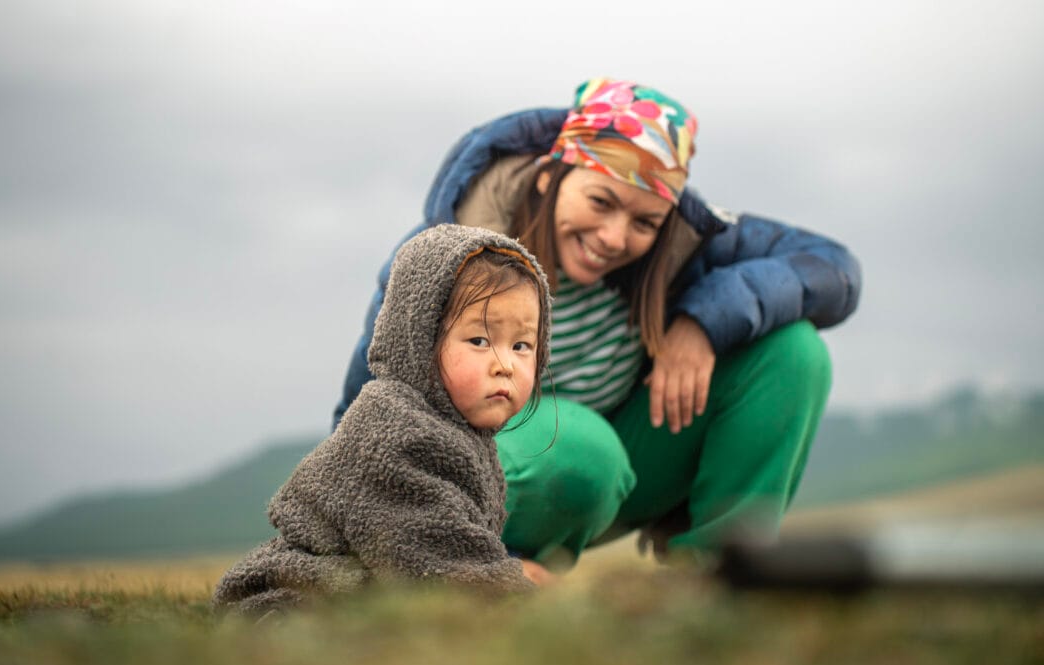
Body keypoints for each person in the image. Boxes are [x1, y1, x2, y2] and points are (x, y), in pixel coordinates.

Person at [336, 77, 862, 581]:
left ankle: (719, 576)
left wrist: (703, 323)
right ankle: (475, 563)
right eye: (600, 202)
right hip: (462, 489)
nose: (613, 238)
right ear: (550, 176)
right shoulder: (444, 258)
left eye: (644, 222)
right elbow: (369, 414)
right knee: (586, 449)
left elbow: (833, 269)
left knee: (793, 352)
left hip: (618, 473)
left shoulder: (680, 245)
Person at [214, 225, 551, 614]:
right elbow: (437, 552)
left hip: (373, 585)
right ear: (418, 337)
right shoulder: (396, 433)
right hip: (292, 595)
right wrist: (522, 606)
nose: (505, 365)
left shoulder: (459, 432)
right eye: (479, 340)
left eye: (522, 345)